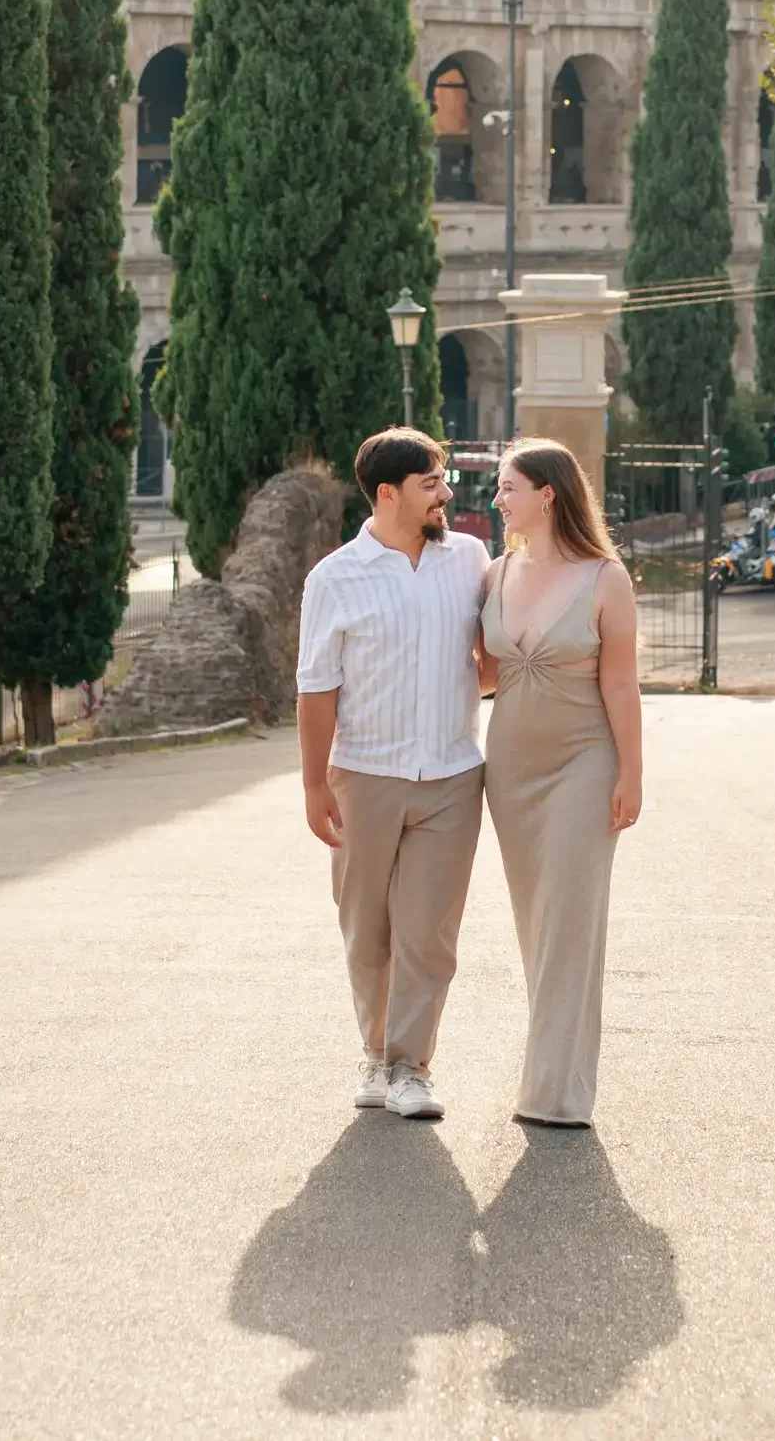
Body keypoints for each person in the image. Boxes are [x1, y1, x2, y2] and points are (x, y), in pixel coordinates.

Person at [296, 426, 489, 1123]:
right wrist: (315, 785)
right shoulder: (334, 578)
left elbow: (491, 654)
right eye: (431, 483)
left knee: (428, 932)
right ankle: (375, 1052)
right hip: (364, 774)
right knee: (365, 929)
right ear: (387, 493)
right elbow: (316, 688)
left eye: (443, 481)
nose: (446, 494)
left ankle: (411, 1067)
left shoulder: (469, 558)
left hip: (451, 776)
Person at [480, 438, 642, 1127]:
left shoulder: (605, 578)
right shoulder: (494, 574)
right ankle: (553, 1064)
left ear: (547, 495)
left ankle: (556, 1091)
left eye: (507, 488)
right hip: (509, 769)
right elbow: (483, 675)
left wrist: (631, 774)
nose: (496, 499)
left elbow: (620, 683)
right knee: (534, 921)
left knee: (571, 920)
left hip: (584, 761)